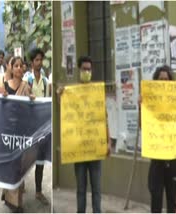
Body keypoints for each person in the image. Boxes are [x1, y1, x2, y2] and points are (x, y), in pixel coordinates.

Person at [56, 55, 111, 213]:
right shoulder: (71, 93)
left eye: (89, 69)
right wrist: (60, 96)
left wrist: (108, 142)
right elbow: (65, 113)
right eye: (84, 69)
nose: (87, 71)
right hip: (78, 152)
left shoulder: (97, 94)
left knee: (97, 190)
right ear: (79, 70)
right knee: (81, 190)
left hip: (95, 151)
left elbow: (104, 119)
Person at [145, 65, 176, 213]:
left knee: (172, 200)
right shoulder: (149, 102)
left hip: (174, 158)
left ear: (171, 82)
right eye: (161, 79)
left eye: (167, 79)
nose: (164, 82)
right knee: (156, 199)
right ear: (155, 81)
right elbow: (142, 125)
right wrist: (141, 107)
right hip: (157, 159)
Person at [0, 56, 34, 212]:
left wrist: (32, 100)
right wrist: (2, 98)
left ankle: (16, 203)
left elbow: (31, 110)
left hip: (20, 133)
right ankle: (9, 198)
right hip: (7, 132)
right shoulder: (4, 87)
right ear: (11, 68)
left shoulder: (27, 87)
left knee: (18, 167)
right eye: (16, 66)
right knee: (8, 165)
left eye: (22, 66)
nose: (19, 68)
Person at [24, 48, 50, 205]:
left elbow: (46, 102)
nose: (39, 62)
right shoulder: (27, 79)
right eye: (37, 60)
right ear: (32, 62)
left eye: (41, 59)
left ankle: (39, 191)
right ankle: (20, 185)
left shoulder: (46, 82)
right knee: (25, 158)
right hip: (28, 126)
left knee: (40, 160)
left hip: (41, 126)